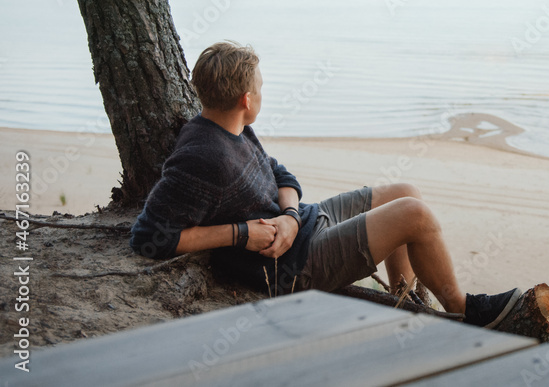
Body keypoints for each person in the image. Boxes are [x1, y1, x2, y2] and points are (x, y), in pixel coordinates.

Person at [130, 41, 520, 328]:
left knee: (406, 192)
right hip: (295, 266)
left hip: (305, 224)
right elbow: (148, 236)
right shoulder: (203, 154)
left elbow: (283, 176)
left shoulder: (234, 128)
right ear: (246, 99)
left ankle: (405, 303)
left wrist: (290, 216)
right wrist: (240, 234)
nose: (263, 95)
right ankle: (462, 309)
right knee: (414, 215)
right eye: (261, 89)